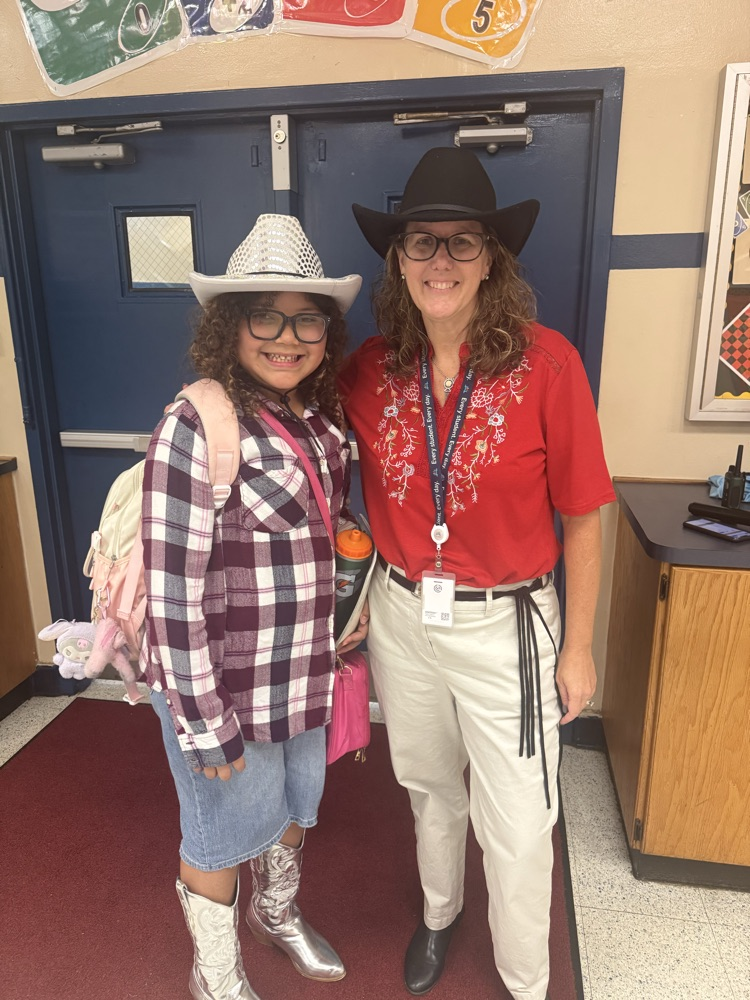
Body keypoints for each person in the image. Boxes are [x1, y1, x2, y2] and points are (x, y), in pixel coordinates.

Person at [340, 147, 616, 1000]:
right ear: (400, 259)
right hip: (401, 617)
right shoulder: (370, 370)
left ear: (491, 257)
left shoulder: (548, 365)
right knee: (427, 785)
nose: (441, 262)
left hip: (509, 628)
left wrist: (578, 648)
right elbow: (276, 410)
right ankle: (438, 912)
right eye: (422, 244)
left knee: (523, 822)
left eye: (462, 243)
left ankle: (526, 981)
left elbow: (584, 515)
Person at [140, 214, 364, 1000]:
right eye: (264, 315)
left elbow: (325, 536)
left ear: (326, 332)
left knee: (296, 808)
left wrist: (346, 613)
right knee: (217, 835)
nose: (286, 335)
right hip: (226, 690)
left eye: (307, 318)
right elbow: (171, 597)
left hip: (303, 677)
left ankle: (276, 911)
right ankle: (217, 972)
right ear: (230, 326)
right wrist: (203, 718)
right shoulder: (195, 426)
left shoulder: (321, 419)